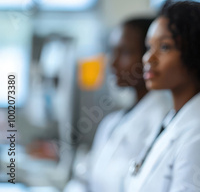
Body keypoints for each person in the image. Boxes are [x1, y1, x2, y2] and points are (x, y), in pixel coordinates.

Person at [123, 0, 200, 192]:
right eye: (149, 47)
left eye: (164, 47)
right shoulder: (171, 120)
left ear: (194, 52)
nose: (148, 58)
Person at [64, 18, 172, 192]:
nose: (112, 63)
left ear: (150, 56)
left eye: (125, 52)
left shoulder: (162, 121)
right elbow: (85, 178)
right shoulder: (113, 121)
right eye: (112, 52)